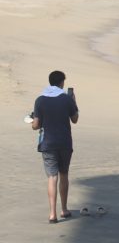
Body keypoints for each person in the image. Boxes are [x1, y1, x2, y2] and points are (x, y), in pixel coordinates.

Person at [32, 70, 79, 223]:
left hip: (48, 143)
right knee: (64, 174)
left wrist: (32, 121)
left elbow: (36, 125)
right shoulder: (66, 98)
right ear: (61, 83)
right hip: (64, 142)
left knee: (52, 177)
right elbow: (75, 119)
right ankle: (64, 209)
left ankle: (52, 214)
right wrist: (74, 100)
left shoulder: (40, 100)